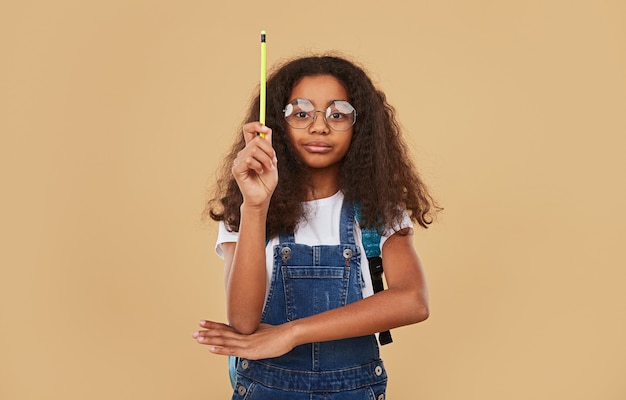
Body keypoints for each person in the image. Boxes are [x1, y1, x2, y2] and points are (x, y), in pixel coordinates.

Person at [192, 54, 439, 399]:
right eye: (301, 113)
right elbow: (244, 323)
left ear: (360, 126)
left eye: (338, 113)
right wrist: (256, 205)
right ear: (274, 125)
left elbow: (412, 301)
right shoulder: (246, 210)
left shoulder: (377, 213)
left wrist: (291, 333)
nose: (319, 126)